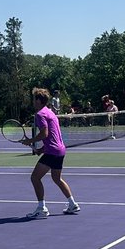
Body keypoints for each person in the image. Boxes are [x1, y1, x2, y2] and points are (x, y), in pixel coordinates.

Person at [21, 87, 80, 218]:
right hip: (60, 150)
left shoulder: (40, 114)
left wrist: (30, 140)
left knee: (35, 178)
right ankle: (72, 204)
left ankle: (41, 208)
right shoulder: (50, 113)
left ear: (38, 100)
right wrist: (41, 150)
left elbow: (44, 133)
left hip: (53, 151)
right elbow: (52, 136)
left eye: (34, 99)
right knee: (56, 178)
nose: (33, 101)